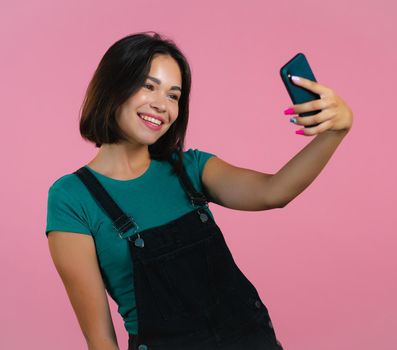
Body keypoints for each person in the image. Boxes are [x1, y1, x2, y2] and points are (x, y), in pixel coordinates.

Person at [45, 31, 353, 350]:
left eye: (173, 96)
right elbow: (100, 339)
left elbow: (274, 191)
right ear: (113, 86)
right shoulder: (72, 199)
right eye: (148, 86)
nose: (161, 105)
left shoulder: (190, 168)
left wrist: (336, 132)